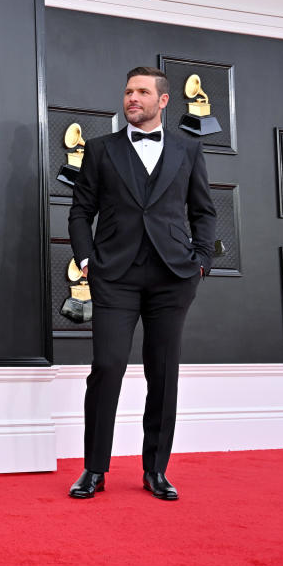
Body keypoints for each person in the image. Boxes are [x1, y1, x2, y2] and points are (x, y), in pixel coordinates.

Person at [67, 66, 216, 501]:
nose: (133, 98)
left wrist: (202, 261)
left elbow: (204, 211)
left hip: (173, 276)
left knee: (163, 374)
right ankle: (94, 470)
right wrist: (86, 258)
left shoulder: (189, 149)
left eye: (142, 92)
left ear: (163, 101)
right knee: (108, 368)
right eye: (128, 91)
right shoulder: (100, 149)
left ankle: (156, 471)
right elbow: (80, 211)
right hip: (114, 275)